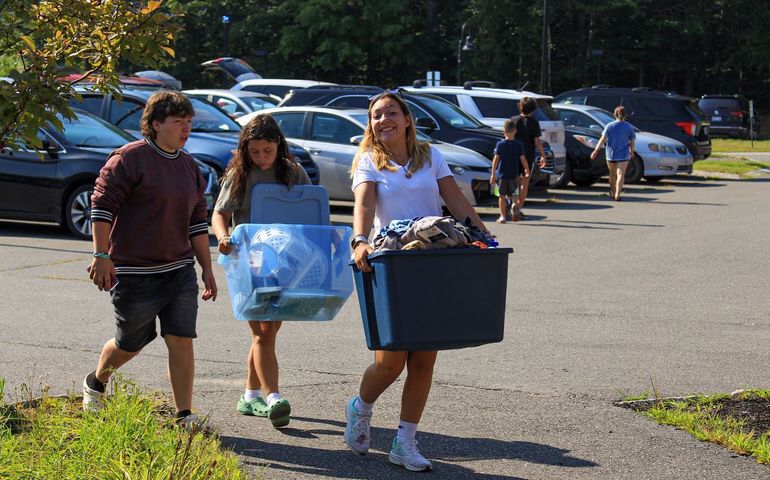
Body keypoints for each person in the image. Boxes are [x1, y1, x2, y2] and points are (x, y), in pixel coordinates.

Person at [345, 90, 488, 472]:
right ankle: (360, 408)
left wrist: (484, 238)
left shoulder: (431, 157)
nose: (384, 119)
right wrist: (359, 241)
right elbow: (364, 205)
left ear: (407, 119)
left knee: (424, 360)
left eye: (391, 112)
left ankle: (404, 441)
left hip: (431, 263)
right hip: (390, 263)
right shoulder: (368, 161)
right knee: (391, 363)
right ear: (371, 124)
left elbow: (454, 199)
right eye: (377, 115)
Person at [83, 91, 217, 428]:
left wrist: (207, 269)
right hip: (133, 271)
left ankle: (184, 415)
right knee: (131, 342)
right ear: (156, 124)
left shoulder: (190, 167)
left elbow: (197, 222)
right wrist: (101, 255)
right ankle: (96, 381)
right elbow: (101, 208)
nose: (185, 129)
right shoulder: (129, 159)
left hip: (179, 271)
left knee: (181, 339)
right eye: (178, 123)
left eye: (189, 123)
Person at [211, 114, 311, 429]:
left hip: (284, 265)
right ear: (245, 149)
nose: (261, 157)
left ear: (278, 145)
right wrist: (223, 237)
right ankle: (273, 398)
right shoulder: (239, 174)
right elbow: (219, 214)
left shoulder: (293, 172)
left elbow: (313, 209)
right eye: (254, 151)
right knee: (260, 333)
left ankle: (249, 394)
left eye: (267, 151)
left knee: (268, 333)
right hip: (246, 264)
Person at [591, 106, 636, 201]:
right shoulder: (629, 127)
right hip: (623, 154)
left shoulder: (609, 126)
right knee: (621, 174)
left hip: (611, 154)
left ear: (614, 114)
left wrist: (596, 150)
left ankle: (612, 191)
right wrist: (631, 151)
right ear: (625, 115)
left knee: (612, 174)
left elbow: (602, 140)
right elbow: (632, 141)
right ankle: (617, 194)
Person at [490, 118, 530, 223]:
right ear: (515, 131)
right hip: (515, 174)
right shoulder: (518, 144)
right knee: (515, 194)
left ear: (504, 131)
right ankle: (514, 205)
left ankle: (503, 216)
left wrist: (493, 174)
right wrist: (527, 170)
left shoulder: (500, 144)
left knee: (501, 196)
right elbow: (523, 159)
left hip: (502, 175)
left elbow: (496, 160)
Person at [513, 97, 547, 217]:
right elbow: (537, 141)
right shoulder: (534, 122)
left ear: (520, 107)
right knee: (525, 182)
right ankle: (519, 206)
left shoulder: (513, 121)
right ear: (533, 109)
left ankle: (513, 203)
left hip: (514, 155)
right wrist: (543, 155)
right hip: (528, 155)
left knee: (515, 181)